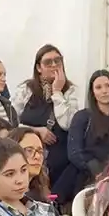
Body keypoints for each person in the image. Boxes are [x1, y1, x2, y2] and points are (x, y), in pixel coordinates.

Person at [14, 45, 79, 203]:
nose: (54, 65)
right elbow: (11, 122)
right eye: (48, 62)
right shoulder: (26, 89)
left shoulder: (71, 91)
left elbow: (68, 123)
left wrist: (57, 92)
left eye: (58, 61)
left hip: (59, 163)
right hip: (29, 159)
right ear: (39, 67)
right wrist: (36, 131)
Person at [66, 69, 109, 196]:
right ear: (92, 92)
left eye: (108, 86)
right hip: (87, 175)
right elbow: (74, 151)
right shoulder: (82, 117)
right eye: (98, 87)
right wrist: (96, 170)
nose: (104, 91)